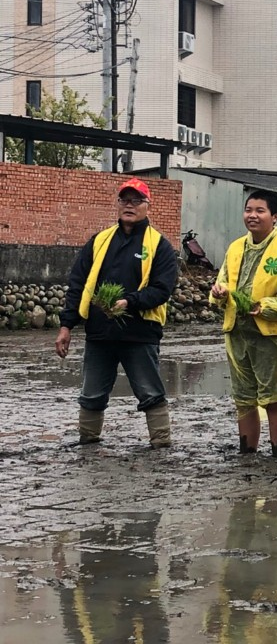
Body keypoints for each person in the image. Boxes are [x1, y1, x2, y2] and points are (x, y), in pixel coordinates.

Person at [54, 177, 178, 448]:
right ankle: (87, 441)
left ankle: (161, 444)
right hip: (99, 333)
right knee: (92, 393)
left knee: (150, 392)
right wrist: (66, 326)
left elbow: (161, 289)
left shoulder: (160, 246)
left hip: (140, 333)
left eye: (136, 200)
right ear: (118, 204)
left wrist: (129, 302)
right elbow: (78, 284)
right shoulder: (99, 241)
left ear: (148, 205)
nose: (129, 205)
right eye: (124, 200)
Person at [209, 190, 277, 459]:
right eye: (248, 210)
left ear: (275, 217)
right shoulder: (235, 248)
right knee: (243, 399)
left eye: (260, 211)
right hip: (237, 334)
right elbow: (222, 281)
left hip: (271, 338)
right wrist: (219, 294)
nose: (252, 216)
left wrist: (263, 307)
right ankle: (248, 452)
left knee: (274, 398)